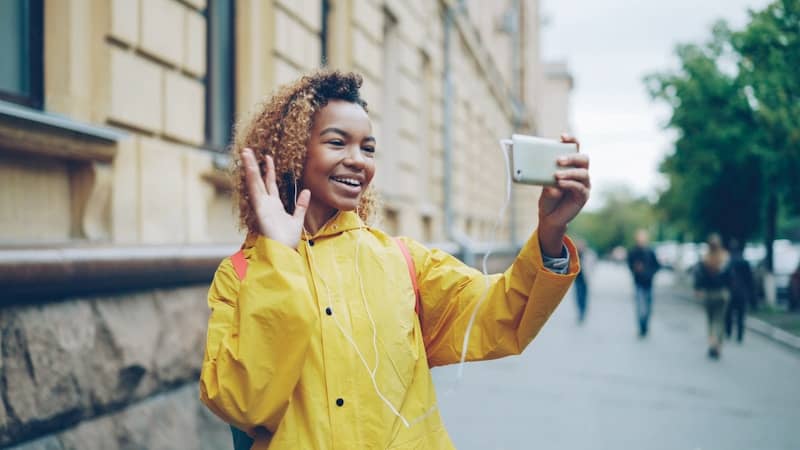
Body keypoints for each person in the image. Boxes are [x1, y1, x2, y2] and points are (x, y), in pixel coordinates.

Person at [198, 70, 591, 449]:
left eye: (368, 148)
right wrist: (280, 257)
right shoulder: (243, 274)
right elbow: (243, 403)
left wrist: (550, 232)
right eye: (337, 143)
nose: (358, 160)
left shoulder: (404, 262)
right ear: (293, 151)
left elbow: (502, 315)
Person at [693, 233, 731, 359]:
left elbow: (699, 276)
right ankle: (718, 345)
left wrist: (698, 289)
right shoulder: (725, 258)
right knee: (720, 320)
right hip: (722, 293)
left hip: (708, 293)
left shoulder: (705, 259)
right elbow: (730, 277)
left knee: (710, 320)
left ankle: (712, 342)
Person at [627, 229, 661, 337]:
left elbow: (657, 266)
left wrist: (650, 273)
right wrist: (634, 269)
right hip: (638, 283)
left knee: (648, 307)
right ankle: (641, 327)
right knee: (640, 307)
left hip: (649, 283)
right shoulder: (633, 252)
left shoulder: (650, 251)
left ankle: (646, 325)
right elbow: (630, 264)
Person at [725, 239, 754, 342]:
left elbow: (725, 278)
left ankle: (728, 332)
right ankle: (739, 336)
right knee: (741, 315)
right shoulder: (744, 262)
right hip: (742, 292)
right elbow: (750, 279)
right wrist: (751, 294)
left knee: (729, 314)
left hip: (730, 292)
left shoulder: (728, 262)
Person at [573, 238, 590, 323]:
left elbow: (591, 266)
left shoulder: (587, 254)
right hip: (577, 279)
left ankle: (583, 312)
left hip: (585, 280)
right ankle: (580, 312)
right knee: (578, 297)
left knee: (584, 297)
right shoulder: (575, 254)